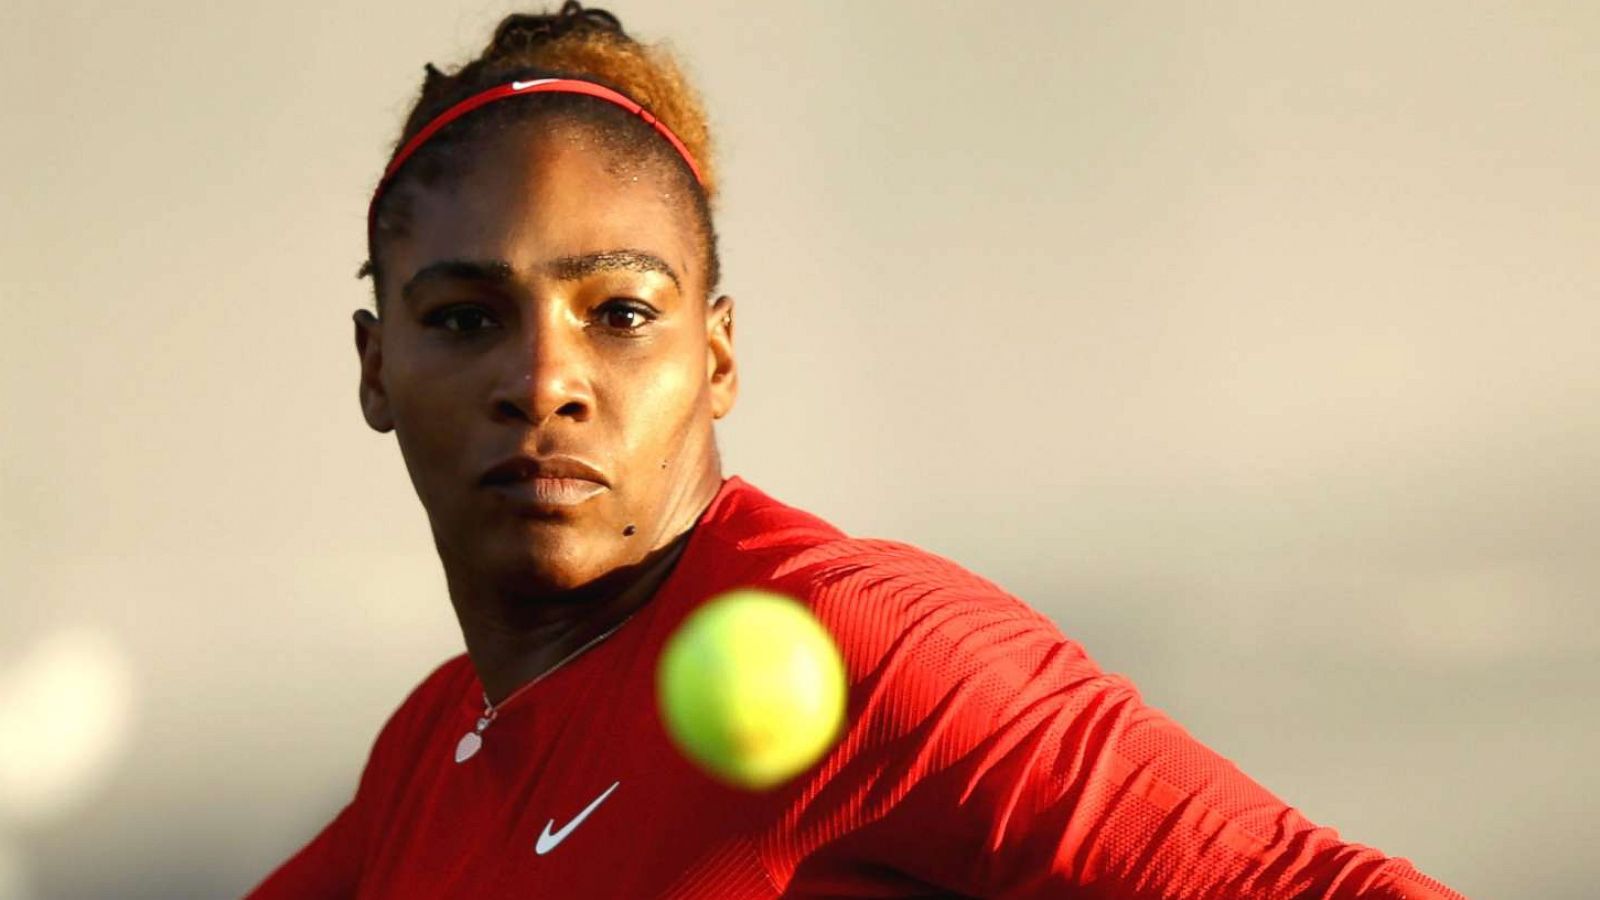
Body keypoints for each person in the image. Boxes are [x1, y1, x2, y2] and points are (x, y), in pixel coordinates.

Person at [248, 4, 1465, 897]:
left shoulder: (865, 647)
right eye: (465, 318)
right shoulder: (433, 746)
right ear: (374, 368)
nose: (544, 381)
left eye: (619, 314)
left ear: (716, 358)